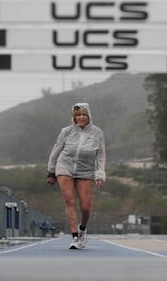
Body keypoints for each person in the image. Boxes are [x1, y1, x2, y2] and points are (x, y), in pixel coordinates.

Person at [46, 102, 106, 249]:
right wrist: (51, 171)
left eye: (84, 114)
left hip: (85, 170)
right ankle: (75, 237)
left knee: (85, 207)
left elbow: (101, 156)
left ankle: (82, 229)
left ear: (89, 116)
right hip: (64, 166)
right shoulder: (66, 131)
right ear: (74, 117)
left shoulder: (97, 133)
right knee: (69, 200)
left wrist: (100, 174)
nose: (81, 117)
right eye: (78, 115)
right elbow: (56, 151)